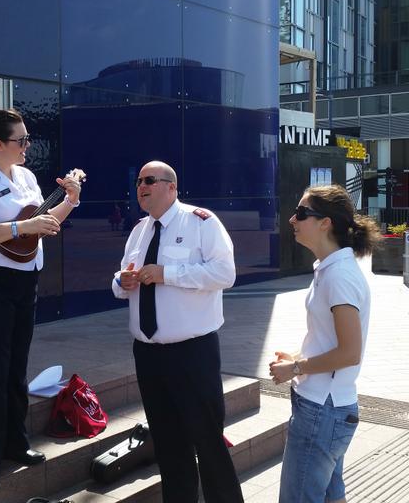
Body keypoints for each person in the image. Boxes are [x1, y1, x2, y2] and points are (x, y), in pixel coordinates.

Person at [0, 108, 84, 490]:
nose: (28, 146)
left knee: (16, 366)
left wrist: (70, 200)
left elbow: (40, 226)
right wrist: (20, 225)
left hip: (23, 279)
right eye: (21, 140)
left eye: (27, 139)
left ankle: (15, 443)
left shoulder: (25, 176)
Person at [111, 161, 243, 503]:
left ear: (172, 186)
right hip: (148, 354)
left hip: (192, 353)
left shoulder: (202, 222)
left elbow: (224, 274)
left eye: (150, 180)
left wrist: (167, 274)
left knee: (209, 443)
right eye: (138, 180)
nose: (141, 185)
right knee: (169, 446)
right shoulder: (139, 229)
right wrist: (121, 282)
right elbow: (123, 278)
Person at [268, 184, 380, 503]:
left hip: (322, 409)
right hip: (326, 408)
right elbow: (331, 340)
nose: (292, 219)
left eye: (301, 213)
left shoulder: (339, 276)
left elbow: (349, 352)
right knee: (332, 495)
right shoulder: (330, 270)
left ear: (325, 222)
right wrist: (298, 356)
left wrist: (297, 367)